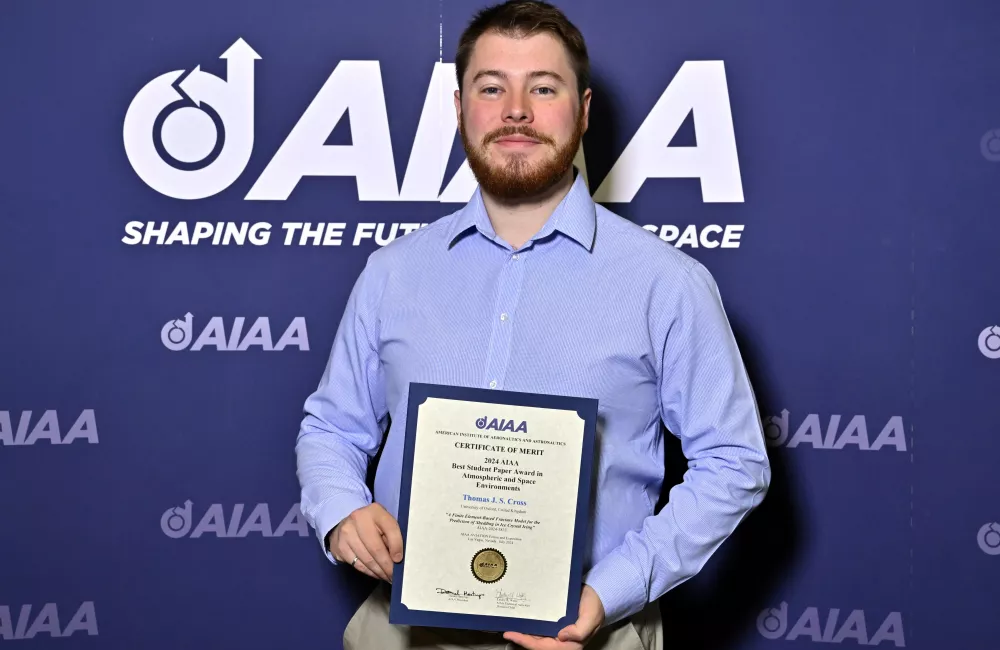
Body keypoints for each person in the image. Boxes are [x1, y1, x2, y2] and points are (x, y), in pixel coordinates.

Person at [295, 1, 771, 648]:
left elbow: (733, 462)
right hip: (405, 630)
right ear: (460, 109)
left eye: (542, 88)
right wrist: (341, 511)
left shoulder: (667, 284)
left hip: (594, 634)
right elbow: (330, 428)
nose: (515, 109)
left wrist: (609, 591)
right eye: (492, 87)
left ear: (582, 111)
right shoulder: (393, 273)